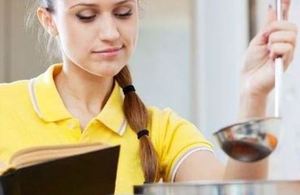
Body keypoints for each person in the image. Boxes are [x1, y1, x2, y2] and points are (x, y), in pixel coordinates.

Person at [0, 0, 297, 193]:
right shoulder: (5, 107)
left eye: (123, 13)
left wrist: (253, 94)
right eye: (87, 16)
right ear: (49, 21)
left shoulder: (162, 130)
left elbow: (235, 191)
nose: (111, 33)